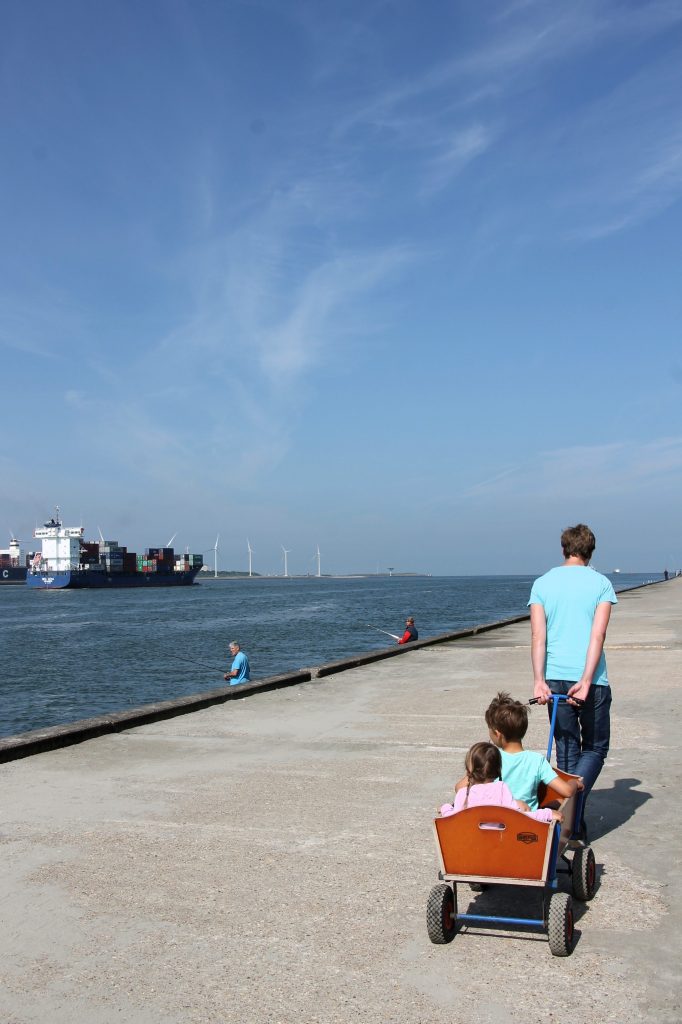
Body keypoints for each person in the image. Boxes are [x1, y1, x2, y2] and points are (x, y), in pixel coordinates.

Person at [529, 523, 617, 819]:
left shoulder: (542, 583)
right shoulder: (601, 584)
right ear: (590, 551)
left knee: (566, 748)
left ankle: (565, 822)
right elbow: (598, 636)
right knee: (594, 748)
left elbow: (538, 637)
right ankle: (570, 818)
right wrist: (587, 680)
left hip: (554, 676)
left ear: (564, 549)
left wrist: (539, 681)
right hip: (592, 679)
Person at [440, 742, 562, 824]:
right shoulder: (501, 790)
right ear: (498, 771)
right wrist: (548, 813)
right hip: (498, 846)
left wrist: (445, 808)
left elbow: (451, 818)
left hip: (472, 848)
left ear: (468, 771)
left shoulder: (463, 794)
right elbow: (521, 817)